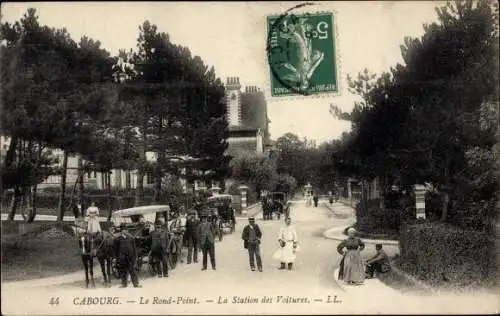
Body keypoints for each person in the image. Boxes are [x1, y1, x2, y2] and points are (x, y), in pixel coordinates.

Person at [114, 223, 141, 288]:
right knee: (124, 270)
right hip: (123, 257)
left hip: (129, 257)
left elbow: (134, 248)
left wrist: (135, 257)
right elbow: (116, 249)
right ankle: (125, 284)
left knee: (132, 270)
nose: (124, 231)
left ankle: (135, 284)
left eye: (125, 230)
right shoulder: (118, 238)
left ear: (126, 230)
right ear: (121, 230)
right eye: (123, 230)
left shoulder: (130, 237)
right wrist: (117, 258)